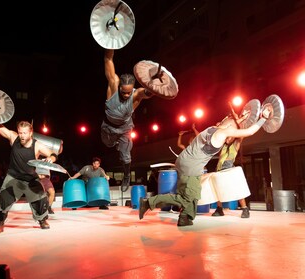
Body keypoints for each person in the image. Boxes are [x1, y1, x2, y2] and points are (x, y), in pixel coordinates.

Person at [139, 106, 272, 226]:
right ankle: (148, 203)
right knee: (186, 198)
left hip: (183, 161)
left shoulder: (213, 128)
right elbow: (249, 132)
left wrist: (242, 117)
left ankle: (185, 218)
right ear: (230, 127)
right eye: (234, 129)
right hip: (191, 166)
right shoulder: (222, 133)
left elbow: (230, 121)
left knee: (195, 193)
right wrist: (263, 118)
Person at [0, 121, 58, 235]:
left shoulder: (37, 145)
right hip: (14, 177)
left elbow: (53, 154)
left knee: (41, 200)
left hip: (31, 179)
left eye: (25, 133)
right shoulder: (13, 137)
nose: (22, 135)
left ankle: (42, 220)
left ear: (30, 133)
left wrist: (51, 158)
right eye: (20, 132)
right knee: (3, 199)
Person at [101, 49, 153, 192]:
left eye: (128, 92)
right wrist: (110, 44)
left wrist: (155, 85)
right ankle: (115, 143)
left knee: (126, 157)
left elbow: (148, 92)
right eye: (123, 91)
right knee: (108, 144)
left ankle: (126, 175)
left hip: (124, 128)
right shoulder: (113, 84)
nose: (125, 94)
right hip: (108, 126)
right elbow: (108, 59)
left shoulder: (137, 94)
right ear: (119, 87)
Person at [211, 136, 250, 218]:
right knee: (218, 190)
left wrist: (237, 126)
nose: (227, 139)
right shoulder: (223, 146)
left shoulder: (236, 144)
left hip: (229, 170)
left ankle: (245, 209)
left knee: (237, 189)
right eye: (226, 138)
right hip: (219, 169)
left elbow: (241, 136)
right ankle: (219, 209)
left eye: (229, 138)